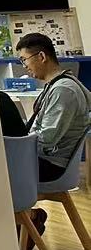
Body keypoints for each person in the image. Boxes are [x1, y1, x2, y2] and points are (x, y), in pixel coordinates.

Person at [18, 32, 91, 182]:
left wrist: (18, 147)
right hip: (45, 159)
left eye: (24, 60)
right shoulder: (57, 85)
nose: (24, 66)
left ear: (42, 57)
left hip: (51, 164)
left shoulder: (63, 90)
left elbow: (46, 138)